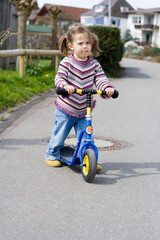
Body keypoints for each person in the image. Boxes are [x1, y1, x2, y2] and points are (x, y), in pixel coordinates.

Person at [45, 25, 115, 171]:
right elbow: (59, 77)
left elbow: (101, 78)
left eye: (88, 43)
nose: (85, 46)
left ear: (92, 44)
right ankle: (51, 154)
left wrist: (106, 88)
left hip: (85, 110)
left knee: (87, 136)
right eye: (80, 43)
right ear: (71, 46)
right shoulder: (67, 62)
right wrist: (65, 86)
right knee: (60, 135)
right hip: (66, 107)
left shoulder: (94, 64)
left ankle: (88, 160)